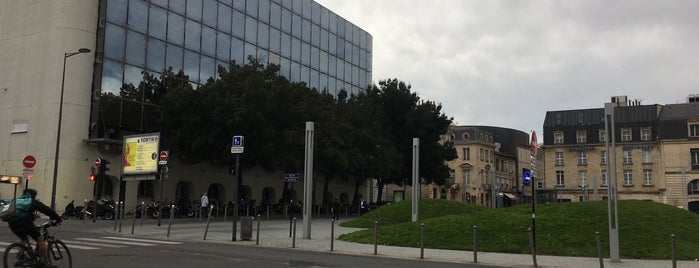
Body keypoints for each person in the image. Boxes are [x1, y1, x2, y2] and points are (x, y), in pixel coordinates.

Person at [7, 188, 62, 267]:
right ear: (33, 196)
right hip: (24, 222)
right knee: (40, 239)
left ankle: (19, 259)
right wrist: (58, 219)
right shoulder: (32, 201)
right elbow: (47, 210)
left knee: (24, 239)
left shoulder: (16, 200)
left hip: (12, 222)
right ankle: (47, 263)